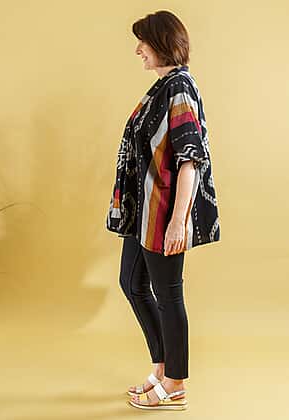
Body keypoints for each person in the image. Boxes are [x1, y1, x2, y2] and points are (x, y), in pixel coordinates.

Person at [105, 10, 220, 411]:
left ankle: (175, 383)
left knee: (168, 295)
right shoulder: (162, 87)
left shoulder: (180, 88)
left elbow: (190, 159)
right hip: (142, 213)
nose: (138, 50)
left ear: (162, 44)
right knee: (132, 283)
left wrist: (178, 221)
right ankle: (162, 368)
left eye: (144, 42)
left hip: (163, 211)